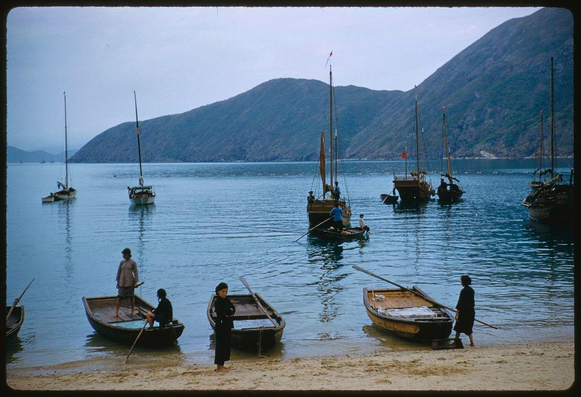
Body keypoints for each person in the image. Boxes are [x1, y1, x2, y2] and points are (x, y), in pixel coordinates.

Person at [214, 282, 235, 372]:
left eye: (226, 291)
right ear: (218, 291)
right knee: (221, 345)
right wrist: (228, 312)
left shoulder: (226, 300)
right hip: (221, 325)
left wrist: (229, 312)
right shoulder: (218, 301)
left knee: (226, 344)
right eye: (223, 291)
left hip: (227, 324)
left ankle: (222, 365)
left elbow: (233, 309)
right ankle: (219, 366)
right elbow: (225, 312)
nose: (225, 293)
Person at [115, 248, 139, 318]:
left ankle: (132, 310)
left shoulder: (133, 263)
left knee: (131, 297)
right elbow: (119, 272)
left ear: (128, 255)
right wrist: (117, 282)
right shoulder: (122, 262)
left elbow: (135, 272)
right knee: (119, 297)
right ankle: (116, 312)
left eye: (124, 254)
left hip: (130, 282)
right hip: (122, 282)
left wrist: (136, 282)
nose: (123, 256)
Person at [454, 275, 475, 347]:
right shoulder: (472, 290)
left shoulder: (463, 291)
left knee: (458, 328)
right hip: (471, 312)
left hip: (464, 312)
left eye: (461, 280)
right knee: (469, 328)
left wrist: (456, 314)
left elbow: (460, 303)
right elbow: (472, 302)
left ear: (463, 282)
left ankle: (456, 341)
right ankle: (472, 342)